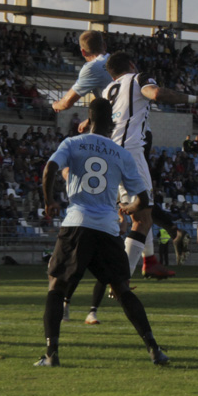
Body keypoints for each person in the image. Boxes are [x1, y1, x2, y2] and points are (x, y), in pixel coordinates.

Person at [75, 51, 198, 325]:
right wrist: (196, 99)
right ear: (130, 65)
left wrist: (87, 122)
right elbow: (157, 94)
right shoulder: (136, 79)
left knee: (131, 220)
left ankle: (137, 267)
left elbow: (101, 118)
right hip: (128, 154)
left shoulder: (108, 89)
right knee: (142, 217)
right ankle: (121, 280)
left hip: (106, 155)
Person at [36, 98, 168, 367]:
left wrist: (48, 200)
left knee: (57, 287)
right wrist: (129, 207)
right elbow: (142, 199)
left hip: (77, 223)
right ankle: (154, 348)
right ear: (113, 122)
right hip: (107, 228)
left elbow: (50, 168)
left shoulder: (73, 143)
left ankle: (51, 354)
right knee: (121, 289)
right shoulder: (121, 153)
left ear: (89, 117)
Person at [51, 30, 109, 113]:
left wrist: (56, 105)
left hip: (118, 119)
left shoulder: (92, 68)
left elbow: (66, 103)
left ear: (83, 52)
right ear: (104, 45)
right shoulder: (120, 60)